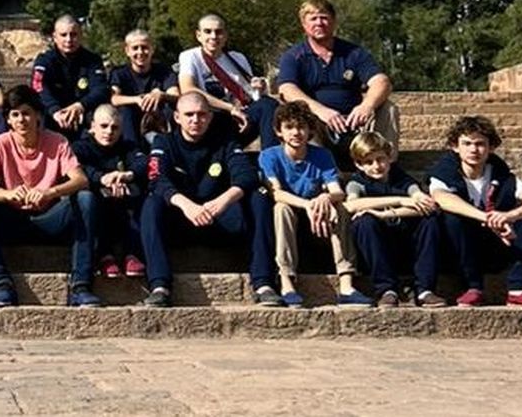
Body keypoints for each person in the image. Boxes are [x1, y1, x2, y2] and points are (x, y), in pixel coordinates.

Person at [0, 86, 99, 308]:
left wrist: (51, 191)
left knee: (86, 199)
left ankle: (81, 285)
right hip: (13, 219)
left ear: (38, 116)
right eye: (14, 115)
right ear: (7, 119)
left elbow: (81, 179)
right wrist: (8, 194)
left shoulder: (57, 141)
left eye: (26, 113)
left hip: (50, 217)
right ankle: (0, 285)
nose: (21, 120)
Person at [140, 92, 279, 308]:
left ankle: (263, 284)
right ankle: (160, 286)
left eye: (202, 115)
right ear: (177, 117)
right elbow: (156, 179)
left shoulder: (224, 141)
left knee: (258, 197)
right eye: (189, 115)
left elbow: (246, 174)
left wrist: (222, 201)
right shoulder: (164, 142)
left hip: (219, 216)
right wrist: (186, 205)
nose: (196, 120)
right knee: (152, 203)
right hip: (182, 218)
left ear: (210, 117)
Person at [427, 115, 522, 307]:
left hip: (495, 248)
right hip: (455, 250)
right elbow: (443, 199)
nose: (473, 149)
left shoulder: (502, 175)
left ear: (491, 147)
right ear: (455, 146)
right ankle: (472, 287)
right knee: (452, 218)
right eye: (466, 143)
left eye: (480, 144)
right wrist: (488, 219)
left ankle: (517, 289)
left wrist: (509, 216)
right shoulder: (444, 172)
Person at [257, 101, 371, 306]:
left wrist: (325, 198)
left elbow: (337, 191)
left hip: (319, 213)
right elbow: (277, 193)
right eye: (289, 127)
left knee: (341, 209)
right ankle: (286, 281)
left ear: (310, 130)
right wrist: (308, 205)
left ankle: (346, 284)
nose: (296, 132)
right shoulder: (270, 156)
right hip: (293, 209)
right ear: (279, 131)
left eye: (301, 126)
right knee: (281, 209)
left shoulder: (321, 155)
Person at [276, 0, 397, 162]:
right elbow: (287, 89)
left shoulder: (354, 53)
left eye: (324, 18)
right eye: (313, 19)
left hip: (355, 122)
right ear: (304, 25)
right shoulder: (293, 56)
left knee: (388, 107)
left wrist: (366, 106)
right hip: (316, 125)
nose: (319, 23)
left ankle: (385, 167)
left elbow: (381, 81)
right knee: (299, 113)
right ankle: (320, 173)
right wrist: (321, 111)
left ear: (333, 22)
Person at [344, 131, 445, 308]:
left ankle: (424, 289)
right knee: (364, 222)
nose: (376, 166)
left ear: (390, 157)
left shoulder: (403, 180)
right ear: (359, 165)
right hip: (377, 248)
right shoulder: (357, 182)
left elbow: (427, 205)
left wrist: (386, 214)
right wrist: (400, 200)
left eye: (381, 159)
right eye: (369, 162)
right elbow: (351, 205)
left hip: (406, 243)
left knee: (431, 221)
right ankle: (386, 290)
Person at [177, 13, 276, 149]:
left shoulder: (238, 58)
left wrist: (259, 89)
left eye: (218, 32)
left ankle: (271, 158)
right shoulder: (190, 56)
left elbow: (252, 96)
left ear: (225, 36)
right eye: (208, 32)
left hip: (243, 117)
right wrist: (230, 109)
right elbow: (187, 89)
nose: (213, 36)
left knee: (268, 104)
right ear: (198, 35)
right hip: (213, 119)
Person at [71, 103, 147, 280]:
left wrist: (127, 175)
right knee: (93, 200)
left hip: (123, 198)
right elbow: (79, 168)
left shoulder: (127, 146)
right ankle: (104, 256)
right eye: (104, 126)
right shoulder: (80, 147)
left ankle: (132, 254)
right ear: (92, 127)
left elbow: (143, 163)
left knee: (139, 196)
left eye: (115, 127)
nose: (109, 132)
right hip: (96, 200)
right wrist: (102, 178)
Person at [31, 15, 111, 138]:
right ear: (55, 37)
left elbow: (101, 90)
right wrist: (55, 110)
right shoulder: (45, 61)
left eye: (73, 35)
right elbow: (38, 87)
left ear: (81, 36)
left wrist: (80, 106)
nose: (69, 40)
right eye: (63, 35)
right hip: (53, 116)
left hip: (83, 114)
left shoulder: (93, 60)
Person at [107, 29, 178, 146]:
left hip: (160, 118)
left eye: (144, 47)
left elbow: (176, 94)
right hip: (131, 119)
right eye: (135, 48)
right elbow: (114, 98)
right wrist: (136, 99)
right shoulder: (119, 73)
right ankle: (134, 152)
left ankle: (170, 147)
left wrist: (161, 95)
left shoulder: (164, 71)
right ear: (127, 51)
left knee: (173, 106)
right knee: (125, 110)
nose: (140, 52)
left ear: (152, 49)